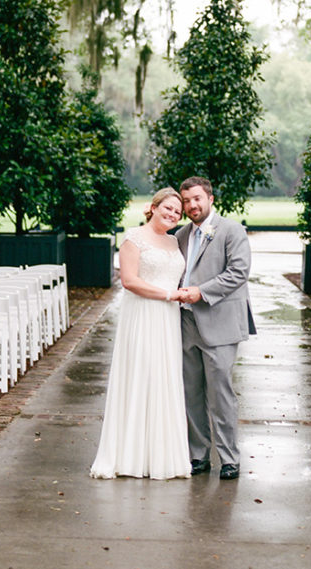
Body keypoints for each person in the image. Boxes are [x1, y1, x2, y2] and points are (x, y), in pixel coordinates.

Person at [90, 187, 191, 480]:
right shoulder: (133, 238)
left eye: (177, 211)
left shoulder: (174, 241)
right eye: (168, 208)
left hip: (168, 319)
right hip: (143, 314)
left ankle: (161, 457)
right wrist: (169, 294)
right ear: (154, 206)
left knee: (163, 379)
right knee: (140, 376)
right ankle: (130, 456)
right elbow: (129, 281)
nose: (172, 214)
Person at [176, 176, 255, 480]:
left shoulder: (231, 230)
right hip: (185, 323)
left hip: (219, 322)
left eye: (197, 198)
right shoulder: (181, 235)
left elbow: (238, 272)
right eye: (186, 201)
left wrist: (201, 291)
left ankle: (229, 457)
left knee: (220, 392)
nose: (192, 205)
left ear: (210, 199)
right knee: (191, 392)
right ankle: (198, 455)